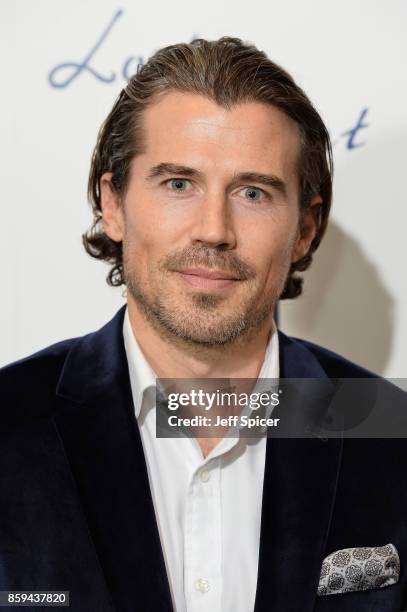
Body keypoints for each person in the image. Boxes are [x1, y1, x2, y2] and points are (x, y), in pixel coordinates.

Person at [0, 36, 406, 612]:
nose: (213, 229)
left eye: (252, 192)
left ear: (305, 230)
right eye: (178, 184)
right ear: (112, 203)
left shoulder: (394, 434)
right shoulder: (10, 425)